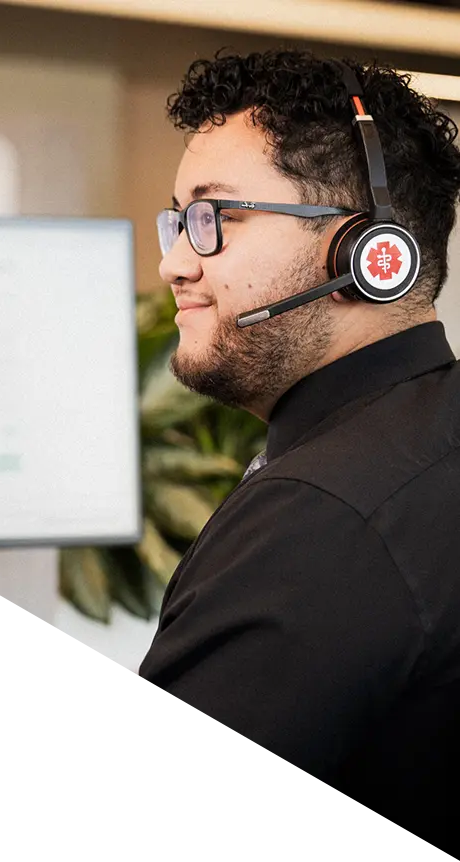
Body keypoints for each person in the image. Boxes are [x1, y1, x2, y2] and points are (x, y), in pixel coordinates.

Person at [138, 49, 460, 835]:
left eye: (217, 220)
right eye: (179, 220)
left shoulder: (320, 519)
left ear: (369, 255)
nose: (174, 261)